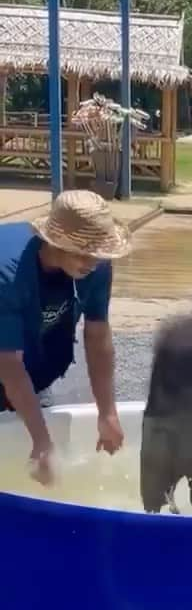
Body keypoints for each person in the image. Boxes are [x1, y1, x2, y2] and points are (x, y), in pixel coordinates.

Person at [0, 189, 130, 486]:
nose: (93, 261)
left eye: (98, 251)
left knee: (39, 465)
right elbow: (8, 364)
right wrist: (41, 440)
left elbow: (97, 335)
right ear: (54, 241)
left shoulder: (95, 266)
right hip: (6, 357)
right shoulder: (8, 273)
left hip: (27, 362)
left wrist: (107, 413)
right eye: (83, 251)